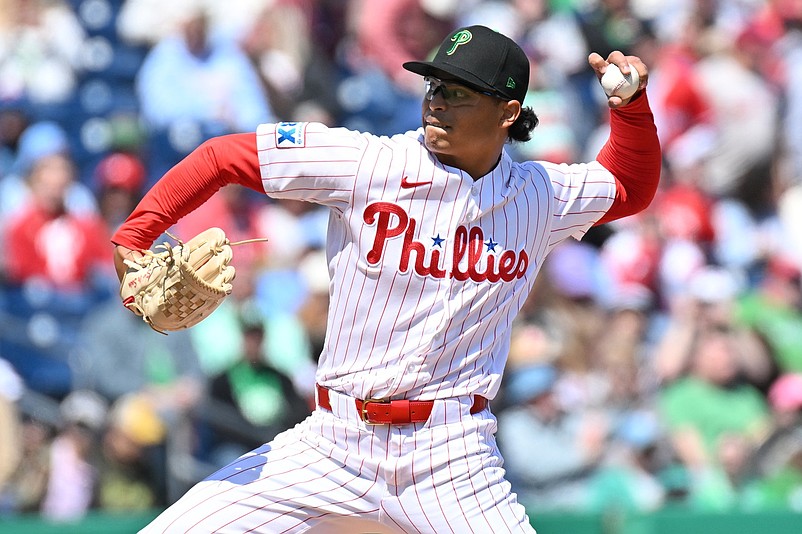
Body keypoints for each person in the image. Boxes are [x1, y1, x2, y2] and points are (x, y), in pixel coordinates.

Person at [112, 24, 660, 533]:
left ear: (507, 112)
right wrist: (134, 237)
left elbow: (629, 186)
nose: (437, 102)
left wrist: (630, 109)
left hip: (453, 454)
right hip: (332, 441)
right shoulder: (365, 163)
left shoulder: (541, 195)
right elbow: (222, 157)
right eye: (433, 88)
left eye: (458, 93)